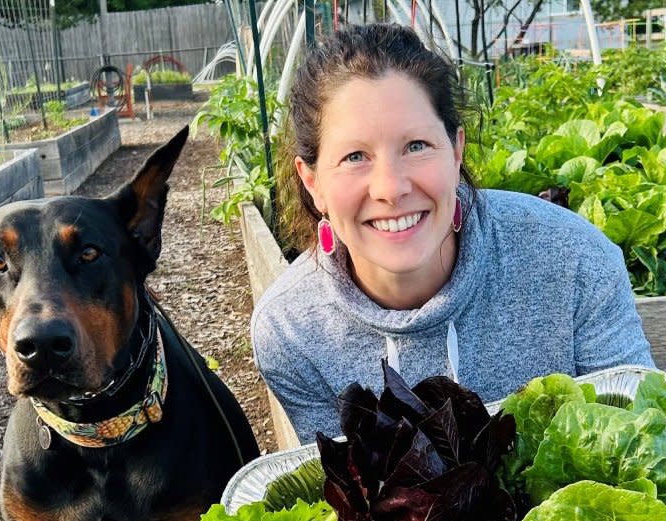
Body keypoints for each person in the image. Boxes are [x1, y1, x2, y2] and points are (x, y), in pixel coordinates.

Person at [250, 22, 654, 444]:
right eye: (355, 156)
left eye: (417, 146)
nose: (391, 188)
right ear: (313, 183)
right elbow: (345, 494)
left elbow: (641, 439)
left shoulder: (573, 260)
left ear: (456, 151)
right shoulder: (291, 329)